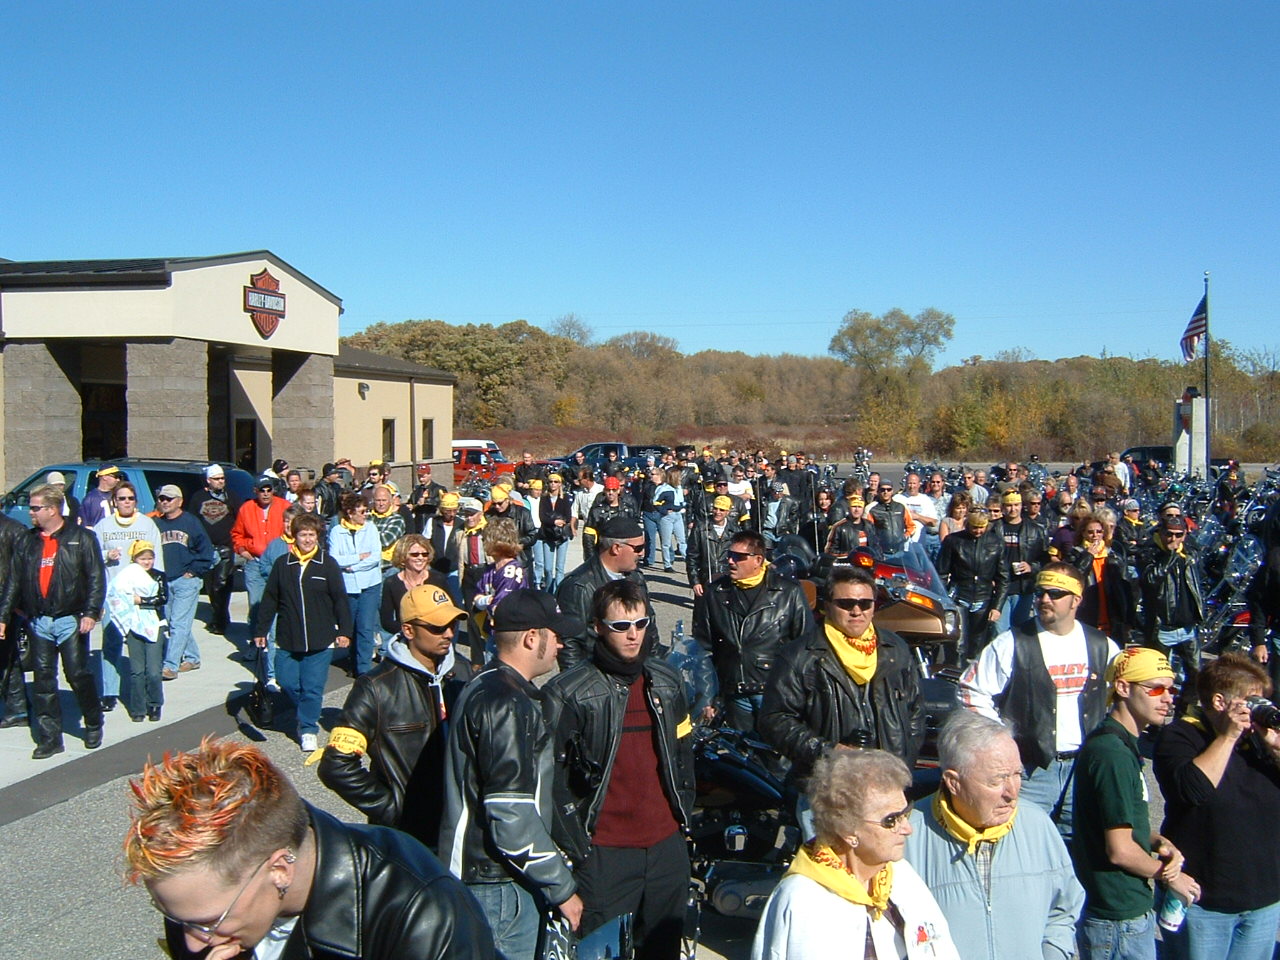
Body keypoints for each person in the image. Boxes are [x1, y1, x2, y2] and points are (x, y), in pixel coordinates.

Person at [125, 737, 493, 960]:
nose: (192, 945)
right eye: (173, 917)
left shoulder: (422, 914)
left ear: (279, 870)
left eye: (208, 923)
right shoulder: (198, 905)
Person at [543, 579, 696, 958]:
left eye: (641, 624)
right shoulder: (568, 693)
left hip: (665, 849)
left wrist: (681, 825)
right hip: (604, 854)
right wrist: (580, 850)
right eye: (621, 626)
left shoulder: (667, 683)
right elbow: (551, 783)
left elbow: (683, 758)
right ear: (598, 627)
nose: (633, 635)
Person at [440, 590, 584, 959]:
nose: (561, 645)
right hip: (497, 885)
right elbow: (510, 815)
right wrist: (561, 887)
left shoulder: (484, 684)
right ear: (532, 638)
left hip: (488, 881)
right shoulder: (506, 703)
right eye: (556, 635)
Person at [904, 710, 1085, 960]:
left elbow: (1064, 908)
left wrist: (1053, 954)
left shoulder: (1038, 826)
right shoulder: (908, 836)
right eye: (996, 781)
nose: (1011, 792)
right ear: (953, 782)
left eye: (1017, 775)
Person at [958, 562, 1119, 839]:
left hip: (1084, 767)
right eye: (1040, 592)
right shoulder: (1012, 642)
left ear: (1076, 600)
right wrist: (1003, 740)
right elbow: (970, 690)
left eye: (1055, 593)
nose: (1044, 599)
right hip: (1030, 770)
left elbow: (1120, 695)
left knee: (1077, 846)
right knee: (1022, 843)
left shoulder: (1101, 645)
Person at [751, 749, 960, 960]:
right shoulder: (803, 900)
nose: (907, 828)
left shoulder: (900, 874)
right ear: (848, 830)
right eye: (891, 820)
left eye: (905, 813)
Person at [1072, 648, 1200, 960]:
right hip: (1117, 918)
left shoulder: (1121, 744)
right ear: (1123, 688)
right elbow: (1119, 850)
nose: (1167, 699)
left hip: (1124, 911)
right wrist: (1171, 876)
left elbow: (1116, 824)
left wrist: (1157, 841)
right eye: (1155, 689)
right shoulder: (1112, 753)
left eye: (1171, 690)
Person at [319, 583, 467, 850]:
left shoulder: (463, 673)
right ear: (408, 630)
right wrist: (394, 809)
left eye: (453, 625)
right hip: (408, 840)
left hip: (461, 832)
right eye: (437, 627)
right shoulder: (376, 687)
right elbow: (335, 765)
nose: (448, 633)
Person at [1153, 653, 1280, 960]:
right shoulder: (1180, 736)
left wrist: (1276, 747)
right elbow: (1192, 791)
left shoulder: (1259, 740)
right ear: (1220, 702)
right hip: (1203, 900)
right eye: (1250, 701)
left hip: (1264, 899)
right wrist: (1228, 736)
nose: (1255, 709)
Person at [760, 565, 925, 786]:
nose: (856, 611)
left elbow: (915, 711)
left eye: (865, 604)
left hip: (889, 782)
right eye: (846, 604)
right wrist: (828, 752)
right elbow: (775, 720)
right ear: (827, 606)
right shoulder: (799, 655)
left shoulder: (896, 649)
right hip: (827, 786)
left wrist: (905, 759)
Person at [0, 484, 105, 758]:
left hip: (70, 619)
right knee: (43, 681)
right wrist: (3, 616)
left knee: (77, 674)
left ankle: (93, 722)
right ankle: (50, 739)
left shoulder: (81, 538)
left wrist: (91, 612)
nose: (31, 512)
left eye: (35, 508)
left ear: (52, 509)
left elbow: (96, 577)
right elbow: (13, 581)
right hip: (39, 621)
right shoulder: (27, 541)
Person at [695, 529, 814, 732]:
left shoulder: (788, 592)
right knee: (741, 748)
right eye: (729, 555)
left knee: (777, 749)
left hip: (776, 692)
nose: (731, 561)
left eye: (738, 557)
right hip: (734, 692)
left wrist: (803, 693)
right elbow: (703, 648)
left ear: (758, 560)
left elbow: (806, 645)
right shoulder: (715, 593)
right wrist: (706, 696)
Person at [256, 513, 353, 752]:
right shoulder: (283, 564)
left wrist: (345, 630)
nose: (308, 540)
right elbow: (270, 599)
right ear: (294, 537)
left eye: (311, 535)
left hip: (321, 638)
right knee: (286, 681)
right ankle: (307, 709)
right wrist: (261, 630)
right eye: (303, 535)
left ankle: (308, 728)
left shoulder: (327, 564)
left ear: (318, 536)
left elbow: (340, 599)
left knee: (312, 686)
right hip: (288, 637)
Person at [93, 480, 165, 710]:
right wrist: (106, 554)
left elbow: (157, 561)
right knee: (111, 642)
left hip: (141, 597)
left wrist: (156, 594)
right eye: (121, 498)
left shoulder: (147, 524)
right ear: (114, 501)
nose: (126, 502)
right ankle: (109, 692)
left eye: (130, 498)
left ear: (136, 501)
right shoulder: (103, 526)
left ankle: (147, 694)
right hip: (114, 595)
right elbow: (91, 557)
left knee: (144, 645)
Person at [557, 516, 660, 670]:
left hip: (635, 672)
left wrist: (655, 670)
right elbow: (570, 644)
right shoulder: (579, 586)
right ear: (616, 548)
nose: (642, 554)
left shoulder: (636, 577)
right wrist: (580, 682)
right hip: (597, 673)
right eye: (638, 548)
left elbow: (650, 627)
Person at [1139, 513, 1204, 709]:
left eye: (1178, 535)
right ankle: (1156, 716)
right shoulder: (1150, 552)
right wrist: (1170, 557)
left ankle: (1184, 712)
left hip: (1187, 626)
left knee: (1196, 674)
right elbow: (1150, 580)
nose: (1173, 539)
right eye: (1168, 534)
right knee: (1158, 678)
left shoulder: (1190, 553)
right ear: (1161, 533)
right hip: (1162, 627)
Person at [154, 484, 216, 680]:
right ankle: (192, 657)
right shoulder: (156, 524)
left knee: (178, 624)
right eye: (162, 498)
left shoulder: (191, 522)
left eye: (169, 499)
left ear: (179, 501)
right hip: (165, 581)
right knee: (175, 622)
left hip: (186, 581)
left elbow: (207, 552)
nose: (165, 502)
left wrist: (194, 571)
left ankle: (170, 666)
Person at [103, 540, 168, 722]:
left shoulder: (159, 576)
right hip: (133, 625)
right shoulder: (127, 576)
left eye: (150, 558)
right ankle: (138, 708)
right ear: (134, 559)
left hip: (155, 625)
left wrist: (142, 600)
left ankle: (154, 704)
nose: (147, 562)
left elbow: (163, 598)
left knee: (153, 670)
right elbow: (117, 594)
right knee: (137, 671)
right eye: (142, 558)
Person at [936, 506, 1007, 664]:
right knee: (957, 644)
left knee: (977, 645)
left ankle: (972, 672)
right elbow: (941, 573)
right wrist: (942, 600)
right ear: (967, 524)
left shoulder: (996, 543)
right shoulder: (953, 541)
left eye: (982, 527)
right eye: (974, 527)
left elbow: (1003, 578)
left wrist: (997, 607)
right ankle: (954, 672)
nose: (978, 531)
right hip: (958, 596)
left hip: (983, 598)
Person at [328, 492, 383, 677]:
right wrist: (358, 557)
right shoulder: (337, 531)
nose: (365, 515)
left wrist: (352, 566)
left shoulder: (371, 529)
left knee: (366, 627)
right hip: (348, 586)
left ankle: (363, 669)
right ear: (350, 513)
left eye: (366, 511)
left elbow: (375, 557)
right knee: (350, 626)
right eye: (361, 511)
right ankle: (353, 661)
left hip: (370, 584)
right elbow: (334, 559)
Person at [231, 475, 289, 637]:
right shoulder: (246, 508)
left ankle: (276, 639)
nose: (266, 493)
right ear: (255, 491)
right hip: (255, 563)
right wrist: (243, 550)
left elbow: (295, 529)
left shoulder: (285, 506)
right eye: (262, 490)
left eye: (269, 490)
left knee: (280, 602)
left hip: (278, 563)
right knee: (256, 603)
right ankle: (256, 641)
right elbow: (237, 534)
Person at [188, 463, 242, 635]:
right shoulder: (198, 498)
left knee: (222, 584)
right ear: (208, 480)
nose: (220, 481)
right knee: (211, 586)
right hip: (206, 550)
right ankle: (219, 615)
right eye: (217, 479)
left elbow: (240, 519)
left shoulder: (231, 497)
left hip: (226, 548)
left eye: (222, 478)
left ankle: (220, 621)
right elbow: (192, 522)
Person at [1067, 513, 1136, 644]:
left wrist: (1129, 618)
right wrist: (1088, 556)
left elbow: (1126, 587)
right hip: (1087, 612)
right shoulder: (1076, 554)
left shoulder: (1113, 555)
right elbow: (1074, 578)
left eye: (1099, 532)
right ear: (1083, 533)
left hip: (1112, 613)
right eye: (1090, 532)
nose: (1095, 536)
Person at [991, 490, 1050, 632]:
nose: (1013, 509)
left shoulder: (1036, 530)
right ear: (1003, 507)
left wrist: (1032, 567)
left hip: (1024, 587)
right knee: (999, 631)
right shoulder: (992, 528)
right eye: (1009, 505)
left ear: (1021, 505)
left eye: (1016, 505)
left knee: (1021, 631)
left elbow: (1045, 559)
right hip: (999, 587)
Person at [379, 533, 449, 636]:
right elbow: (386, 621)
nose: (420, 558)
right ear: (403, 557)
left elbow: (451, 611)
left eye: (424, 554)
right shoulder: (391, 583)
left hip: (436, 635)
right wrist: (411, 632)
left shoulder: (438, 579)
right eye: (415, 554)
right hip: (406, 636)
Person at [0, 512, 29, 729]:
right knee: (8, 656)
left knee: (5, 655)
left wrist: (18, 604)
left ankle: (18, 709)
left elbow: (24, 570)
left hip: (7, 603)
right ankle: (18, 709)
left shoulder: (15, 530)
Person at [686, 495, 741, 596]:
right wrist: (695, 582)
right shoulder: (700, 528)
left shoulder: (736, 530)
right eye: (715, 508)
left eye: (722, 509)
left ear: (728, 512)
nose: (718, 512)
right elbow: (692, 556)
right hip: (704, 579)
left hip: (727, 580)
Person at [536, 472, 573, 591]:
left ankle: (558, 592)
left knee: (559, 568)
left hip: (562, 535)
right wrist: (554, 521)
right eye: (551, 482)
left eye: (556, 482)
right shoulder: (544, 498)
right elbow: (542, 517)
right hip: (548, 535)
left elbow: (568, 517)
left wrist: (560, 521)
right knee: (547, 568)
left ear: (560, 484)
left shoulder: (565, 498)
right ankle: (548, 590)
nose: (553, 484)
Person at [79, 463, 121, 527]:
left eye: (119, 477)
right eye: (116, 476)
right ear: (104, 477)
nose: (118, 480)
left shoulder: (120, 496)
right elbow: (84, 524)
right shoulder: (90, 499)